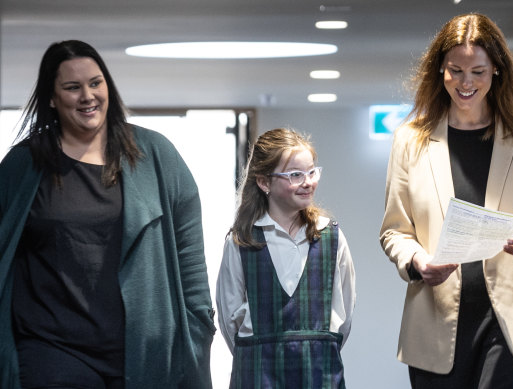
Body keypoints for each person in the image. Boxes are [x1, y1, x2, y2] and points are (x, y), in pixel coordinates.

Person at [0, 40, 215, 388]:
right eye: (72, 87)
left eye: (95, 83)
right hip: (50, 350)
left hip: (143, 353)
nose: (87, 96)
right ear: (52, 98)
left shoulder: (156, 156)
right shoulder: (23, 166)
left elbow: (190, 259)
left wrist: (197, 330)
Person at [379, 13, 513, 389]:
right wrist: (417, 261)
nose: (466, 83)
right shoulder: (409, 140)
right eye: (455, 70)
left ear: (496, 70)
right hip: (436, 322)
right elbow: (394, 232)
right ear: (440, 70)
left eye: (478, 72)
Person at [216, 128, 356, 388]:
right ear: (264, 182)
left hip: (319, 373)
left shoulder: (331, 238)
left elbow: (343, 319)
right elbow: (229, 322)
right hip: (258, 374)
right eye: (295, 175)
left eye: (312, 172)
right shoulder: (242, 241)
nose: (308, 182)